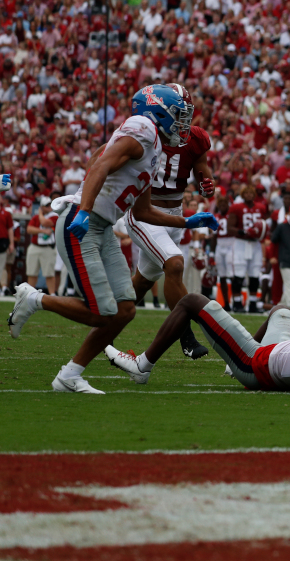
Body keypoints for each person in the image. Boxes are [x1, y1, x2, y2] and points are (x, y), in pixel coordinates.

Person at [7, 84, 217, 394]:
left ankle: (70, 375)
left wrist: (186, 221)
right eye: (178, 115)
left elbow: (144, 211)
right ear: (158, 111)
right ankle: (36, 298)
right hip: (83, 222)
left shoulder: (155, 146)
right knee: (101, 311)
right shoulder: (143, 127)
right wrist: (85, 209)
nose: (183, 123)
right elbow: (101, 165)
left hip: (103, 227)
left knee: (124, 310)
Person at [104, 289, 290, 395]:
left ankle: (142, 365)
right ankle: (231, 365)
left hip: (255, 363)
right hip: (281, 355)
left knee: (191, 301)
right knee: (281, 309)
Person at [119, 84, 214, 358]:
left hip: (173, 214)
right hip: (145, 213)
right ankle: (187, 336)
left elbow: (201, 170)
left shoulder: (195, 138)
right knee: (174, 265)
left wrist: (207, 184)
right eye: (178, 114)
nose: (184, 121)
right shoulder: (144, 135)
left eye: (186, 114)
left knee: (142, 283)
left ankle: (103, 321)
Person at [228, 184, 268, 313]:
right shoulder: (236, 207)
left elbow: (264, 226)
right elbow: (230, 228)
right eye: (247, 193)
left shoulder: (261, 207)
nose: (249, 195)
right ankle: (237, 303)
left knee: (255, 275)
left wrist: (258, 233)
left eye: (251, 193)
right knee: (238, 275)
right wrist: (244, 231)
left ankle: (252, 304)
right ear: (243, 194)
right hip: (241, 243)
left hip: (255, 244)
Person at [25, 196, 57, 291]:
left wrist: (40, 214)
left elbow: (45, 223)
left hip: (47, 248)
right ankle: (30, 293)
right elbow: (29, 229)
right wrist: (42, 231)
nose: (49, 207)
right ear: (42, 207)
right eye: (46, 206)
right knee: (32, 272)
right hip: (35, 246)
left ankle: (52, 294)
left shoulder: (54, 216)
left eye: (50, 205)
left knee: (49, 273)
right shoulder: (35, 217)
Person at [212, 195, 237, 311]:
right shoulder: (216, 216)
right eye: (220, 205)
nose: (222, 207)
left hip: (231, 244)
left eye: (224, 205)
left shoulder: (231, 216)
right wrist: (212, 252)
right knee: (221, 275)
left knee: (231, 274)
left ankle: (236, 300)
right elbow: (213, 235)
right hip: (219, 245)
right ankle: (226, 302)